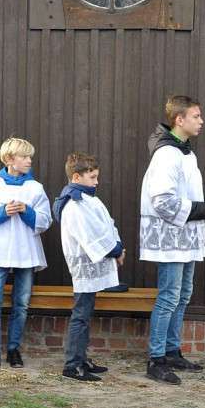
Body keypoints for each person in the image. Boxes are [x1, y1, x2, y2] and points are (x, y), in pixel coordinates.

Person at [140, 95, 205, 385]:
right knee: (169, 296)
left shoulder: (185, 153)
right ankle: (156, 359)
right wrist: (200, 209)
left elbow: (181, 196)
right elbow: (161, 201)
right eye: (196, 116)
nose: (201, 121)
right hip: (170, 239)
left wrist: (204, 206)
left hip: (185, 236)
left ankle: (172, 351)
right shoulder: (166, 154)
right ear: (179, 119)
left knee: (183, 295)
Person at [0, 136, 51, 369]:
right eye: (24, 156)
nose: (29, 161)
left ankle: (13, 349)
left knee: (22, 303)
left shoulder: (35, 188)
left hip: (25, 251)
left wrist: (26, 211)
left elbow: (46, 220)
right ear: (9, 159)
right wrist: (2, 212)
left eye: (30, 157)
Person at [52, 152, 123, 382]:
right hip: (85, 265)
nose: (96, 182)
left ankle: (81, 358)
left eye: (96, 176)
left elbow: (107, 225)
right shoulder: (75, 203)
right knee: (80, 315)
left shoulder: (89, 197)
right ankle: (72, 364)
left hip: (96, 262)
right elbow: (90, 235)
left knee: (85, 313)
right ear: (76, 177)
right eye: (92, 177)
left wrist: (118, 246)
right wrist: (115, 251)